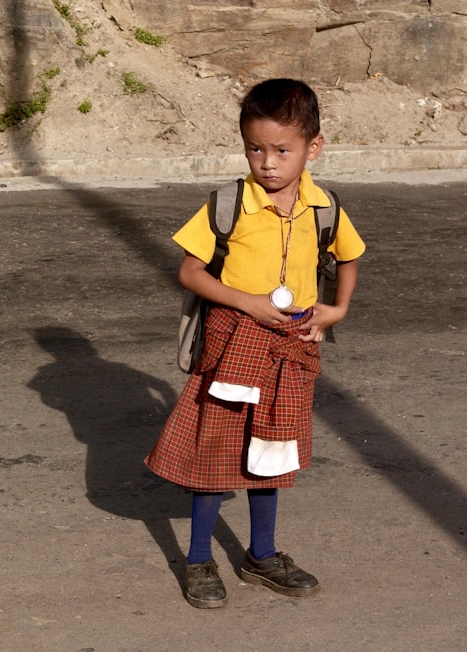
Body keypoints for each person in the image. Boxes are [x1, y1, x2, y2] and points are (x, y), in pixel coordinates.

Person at [144, 78, 366, 609]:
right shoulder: (229, 204)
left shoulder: (324, 206)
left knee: (272, 451)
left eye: (282, 150)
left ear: (313, 147)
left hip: (290, 350)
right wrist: (246, 302)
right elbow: (190, 272)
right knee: (212, 453)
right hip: (232, 343)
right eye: (255, 148)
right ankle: (199, 560)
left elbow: (349, 257)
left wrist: (338, 308)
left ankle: (260, 556)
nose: (267, 163)